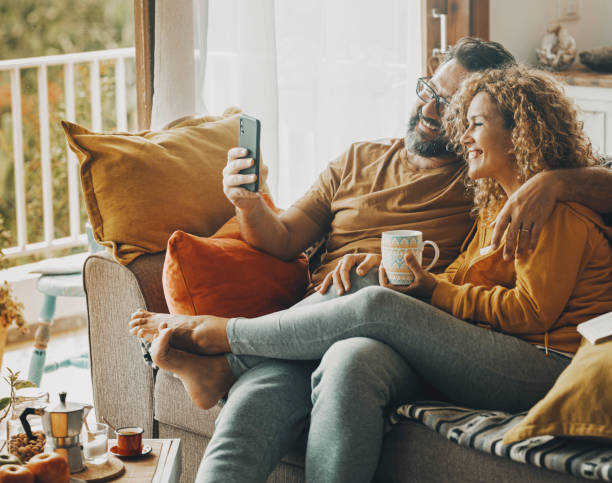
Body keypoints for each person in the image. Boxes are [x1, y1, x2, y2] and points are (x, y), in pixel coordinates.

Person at [131, 41, 612, 482]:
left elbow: (534, 304)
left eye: (456, 110)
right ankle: (231, 363)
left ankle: (227, 343)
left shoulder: (489, 186)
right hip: (309, 326)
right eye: (428, 90)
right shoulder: (385, 165)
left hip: (428, 338)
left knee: (366, 314)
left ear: (512, 129)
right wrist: (247, 202)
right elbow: (282, 239)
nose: (431, 110)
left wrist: (554, 182)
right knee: (305, 377)